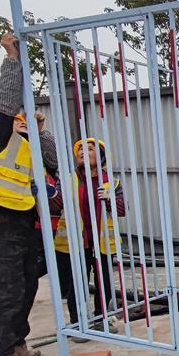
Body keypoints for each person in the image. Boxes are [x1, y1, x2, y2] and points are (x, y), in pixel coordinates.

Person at [0, 34, 60, 356]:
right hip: (0, 223)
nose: (20, 119)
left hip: (24, 221)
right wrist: (12, 59)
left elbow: (53, 161)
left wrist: (40, 131)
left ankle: (17, 340)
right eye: (16, 118)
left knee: (27, 284)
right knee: (7, 289)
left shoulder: (25, 145)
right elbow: (6, 101)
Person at [52, 138, 125, 333]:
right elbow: (56, 206)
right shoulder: (68, 179)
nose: (83, 152)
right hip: (77, 242)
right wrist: (51, 193)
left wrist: (110, 199)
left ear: (101, 157)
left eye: (90, 149)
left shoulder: (112, 182)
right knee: (77, 283)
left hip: (103, 242)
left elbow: (121, 210)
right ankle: (78, 323)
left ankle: (101, 319)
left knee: (104, 283)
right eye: (81, 149)